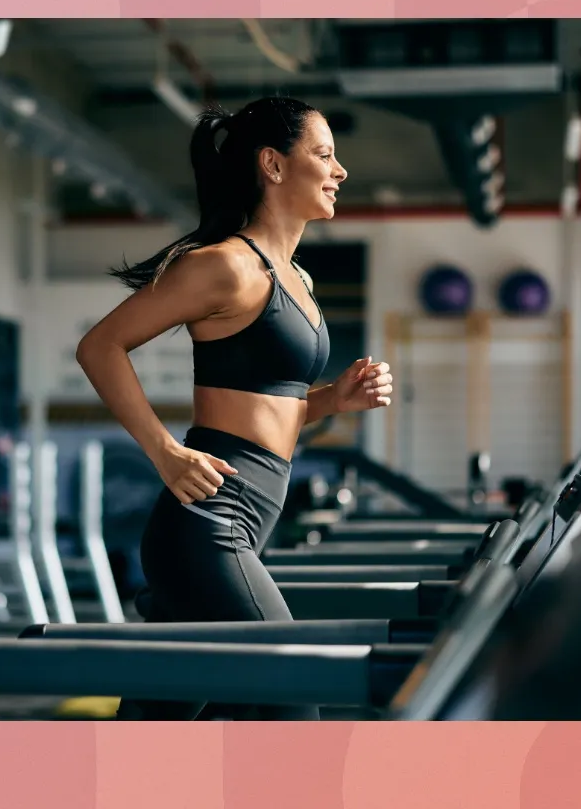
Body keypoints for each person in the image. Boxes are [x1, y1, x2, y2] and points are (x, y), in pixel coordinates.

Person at [76, 96, 395, 720]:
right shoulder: (225, 266)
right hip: (208, 526)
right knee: (291, 697)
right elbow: (100, 346)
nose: (341, 171)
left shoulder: (295, 278)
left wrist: (334, 400)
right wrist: (166, 453)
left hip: (245, 518)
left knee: (155, 725)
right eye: (324, 155)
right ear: (273, 165)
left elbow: (264, 413)